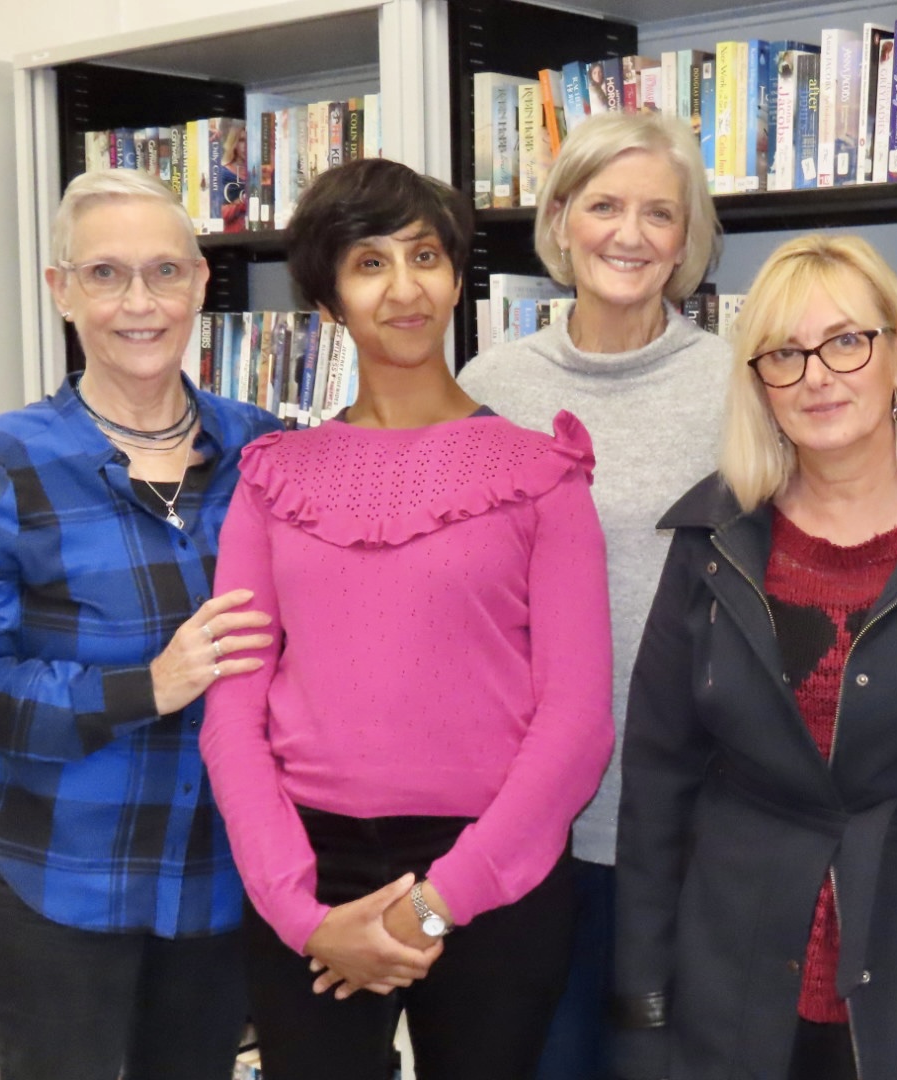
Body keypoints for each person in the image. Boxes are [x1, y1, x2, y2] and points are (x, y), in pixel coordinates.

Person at [615, 234, 897, 1080]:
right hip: (738, 979)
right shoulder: (712, 543)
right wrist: (642, 1010)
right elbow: (658, 787)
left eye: (845, 342)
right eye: (784, 355)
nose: (817, 377)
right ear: (758, 384)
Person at [200, 157, 614, 1080]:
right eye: (369, 262)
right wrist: (303, 914)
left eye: (425, 255)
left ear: (458, 278)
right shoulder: (272, 480)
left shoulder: (543, 473)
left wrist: (432, 907)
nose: (404, 287)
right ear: (328, 299)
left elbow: (578, 725)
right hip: (309, 868)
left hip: (493, 873)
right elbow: (233, 714)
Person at [0, 168, 282, 1080]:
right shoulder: (4, 461)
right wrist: (145, 687)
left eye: (164, 271)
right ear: (62, 291)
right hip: (59, 887)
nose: (139, 303)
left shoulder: (264, 451)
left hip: (220, 887)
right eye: (107, 274)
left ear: (202, 282)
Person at [455, 108, 730, 1080]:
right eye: (605, 204)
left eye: (661, 212)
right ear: (562, 218)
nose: (630, 233)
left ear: (688, 237)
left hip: (691, 825)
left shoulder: (742, 387)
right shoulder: (490, 389)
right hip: (527, 827)